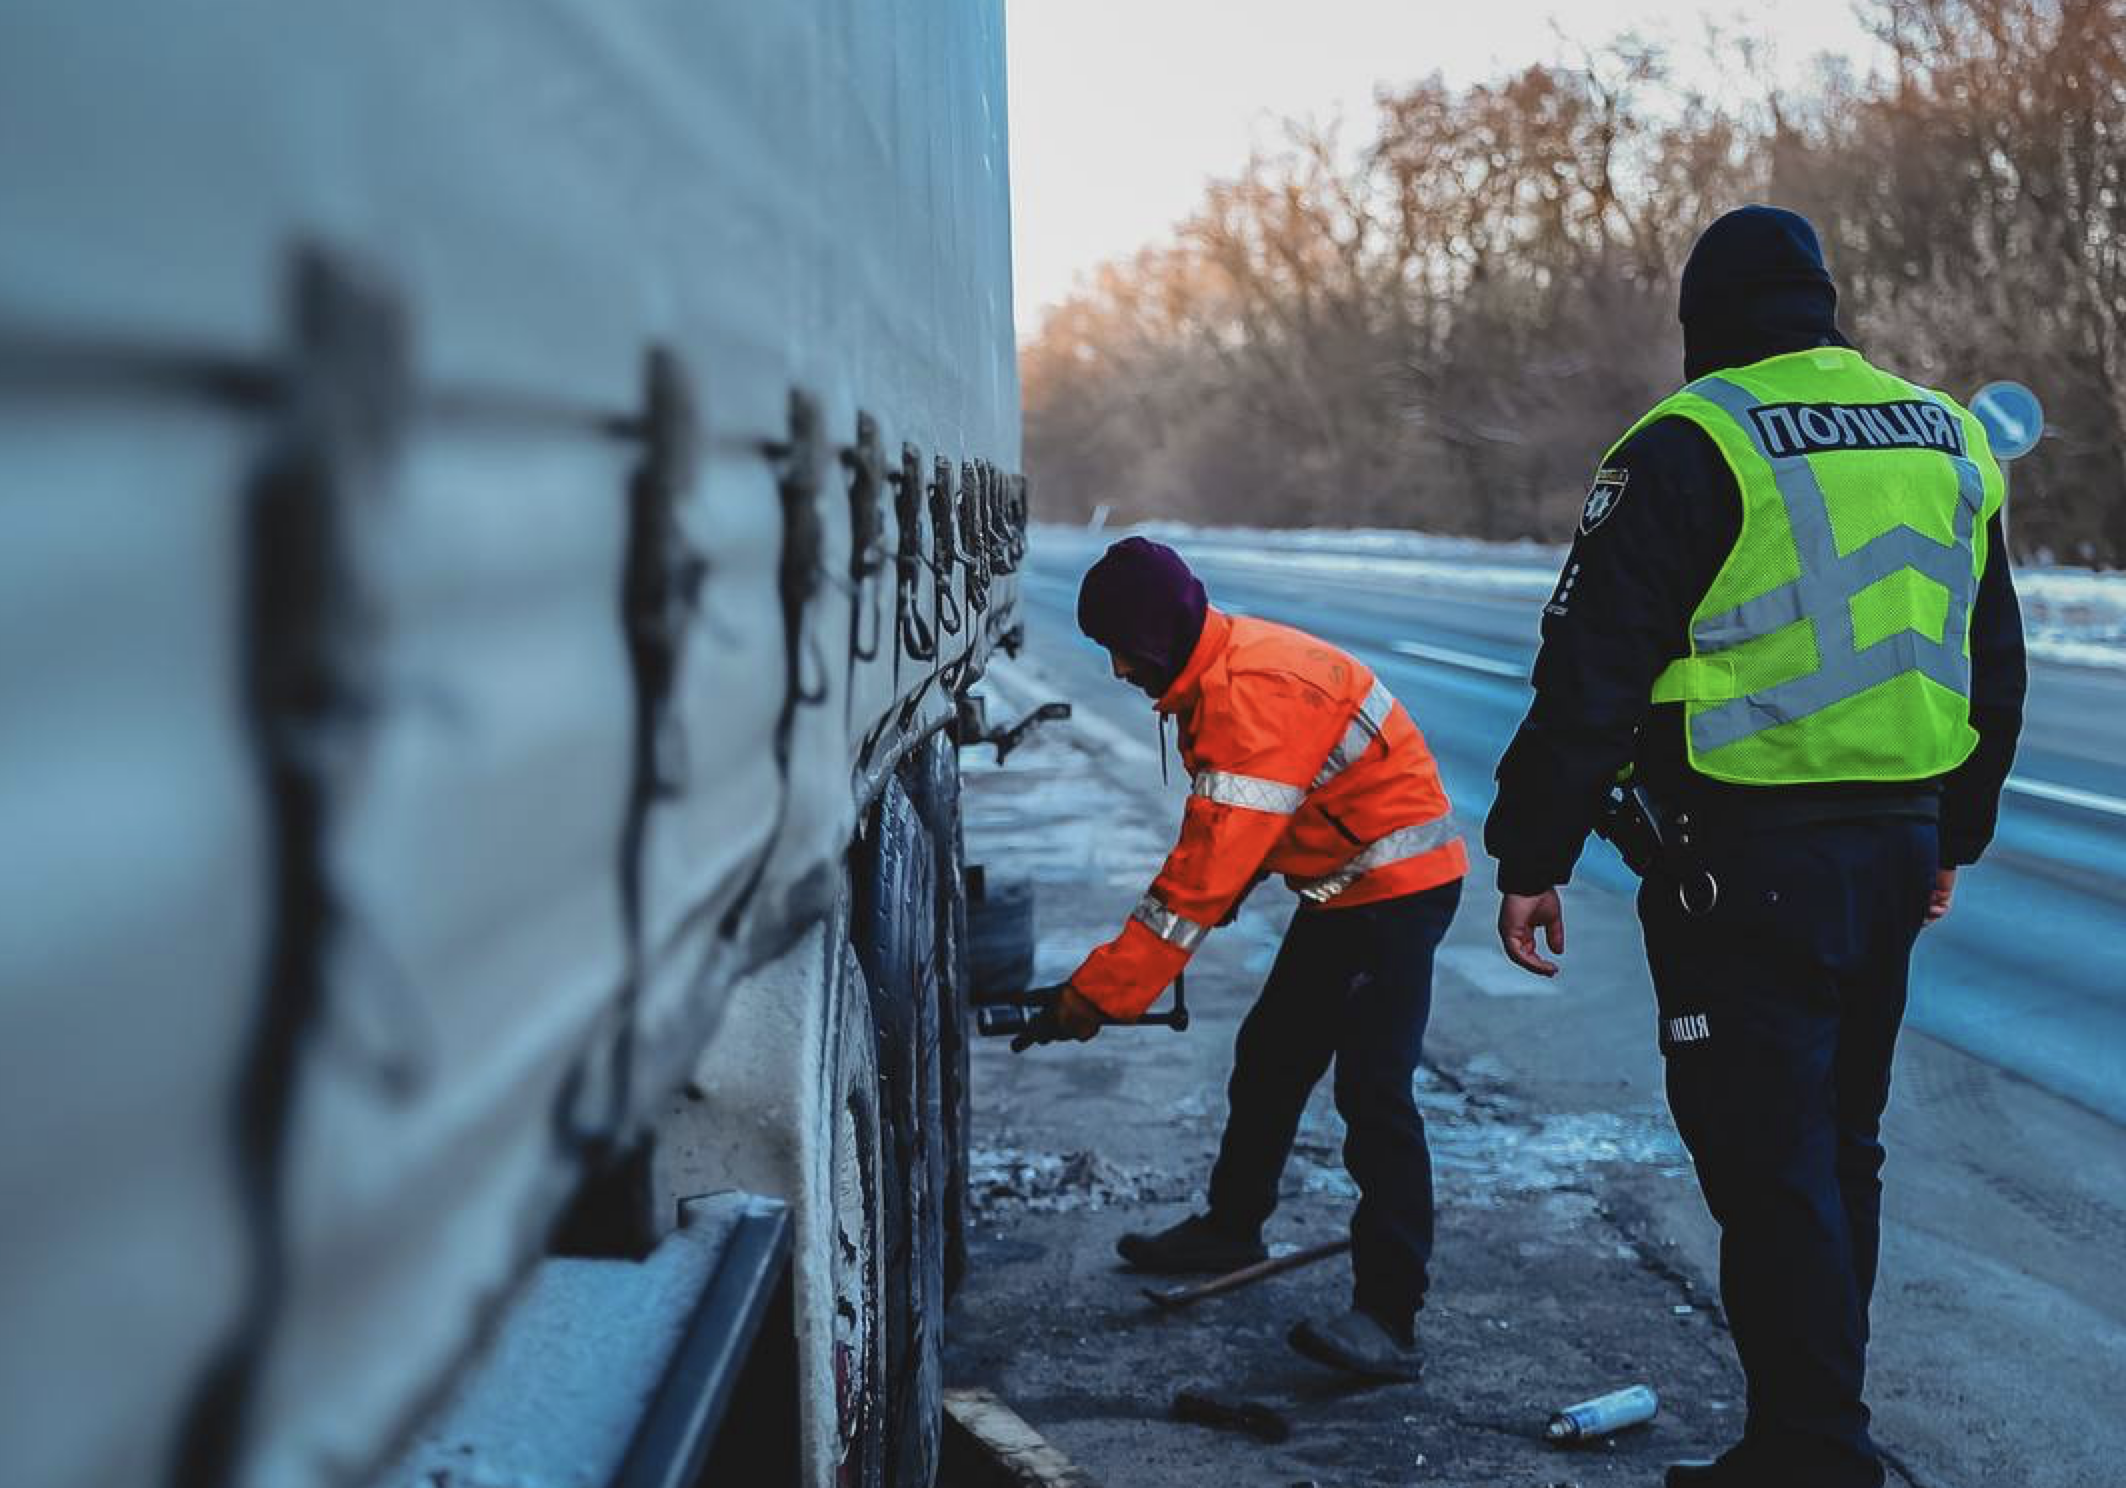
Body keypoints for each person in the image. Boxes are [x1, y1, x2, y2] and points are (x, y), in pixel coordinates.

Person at [1485, 206, 2026, 1487]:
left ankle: (1810, 1449)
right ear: (1823, 305)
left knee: (1764, 1159)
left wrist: (1529, 855)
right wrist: (1951, 829)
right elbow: (1987, 665)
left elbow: (1590, 673)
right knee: (1842, 1147)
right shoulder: (1946, 436)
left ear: (1704, 323)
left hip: (1744, 863)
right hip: (1890, 853)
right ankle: (1813, 1429)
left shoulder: (1691, 441)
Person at [1017, 536, 1466, 1382]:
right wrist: (1198, 911)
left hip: (1396, 889)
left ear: (1153, 638)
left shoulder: (1252, 691)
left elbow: (1198, 878)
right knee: (1270, 1056)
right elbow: (1243, 838)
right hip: (1346, 883)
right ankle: (1232, 1226)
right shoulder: (1214, 676)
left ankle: (1388, 1321)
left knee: (1374, 1095)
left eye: (1119, 651)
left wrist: (1097, 997)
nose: (1116, 670)